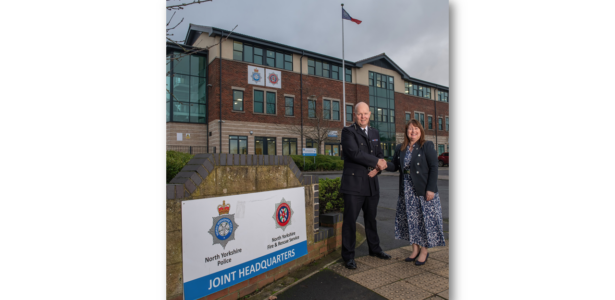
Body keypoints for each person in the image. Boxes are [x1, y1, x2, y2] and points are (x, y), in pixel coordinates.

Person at [369, 119, 445, 265]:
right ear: (406, 132)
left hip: (423, 191)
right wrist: (382, 165)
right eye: (410, 129)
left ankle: (424, 251)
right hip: (407, 192)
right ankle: (415, 249)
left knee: (424, 222)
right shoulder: (401, 148)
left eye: (416, 129)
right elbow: (395, 166)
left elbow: (434, 168)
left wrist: (430, 189)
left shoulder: (426, 145)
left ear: (420, 130)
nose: (413, 131)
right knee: (412, 221)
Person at [339, 102, 391, 269]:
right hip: (354, 184)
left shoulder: (375, 132)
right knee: (350, 221)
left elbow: (380, 154)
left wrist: (378, 168)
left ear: (370, 114)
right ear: (355, 115)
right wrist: (378, 162)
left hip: (371, 183)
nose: (363, 117)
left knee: (371, 220)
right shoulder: (348, 132)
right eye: (359, 114)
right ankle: (348, 256)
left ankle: (374, 249)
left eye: (365, 114)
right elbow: (355, 153)